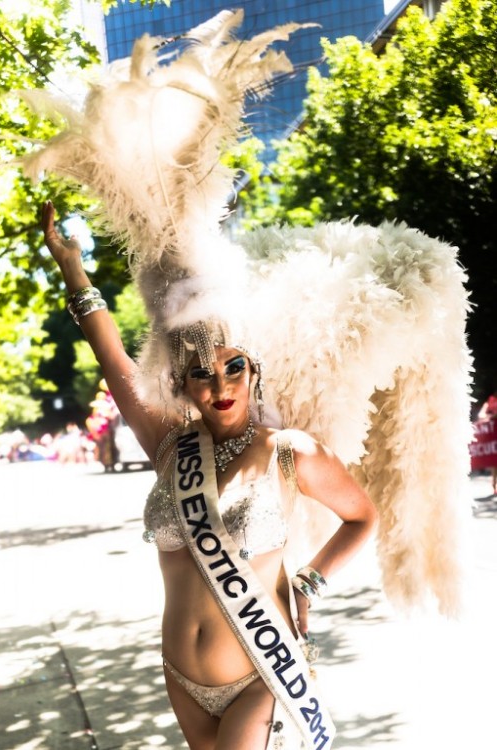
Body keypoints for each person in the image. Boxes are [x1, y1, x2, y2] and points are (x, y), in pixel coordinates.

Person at [42, 199, 377, 749]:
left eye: (233, 367)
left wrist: (310, 582)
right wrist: (72, 268)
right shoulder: (172, 447)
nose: (219, 386)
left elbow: (362, 516)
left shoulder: (288, 450)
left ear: (254, 369)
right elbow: (112, 358)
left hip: (262, 673)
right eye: (201, 373)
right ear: (180, 382)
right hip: (182, 679)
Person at [477, 390, 497, 494]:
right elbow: (481, 415)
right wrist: (490, 417)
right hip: (493, 435)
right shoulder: (488, 403)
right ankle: (494, 484)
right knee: (494, 461)